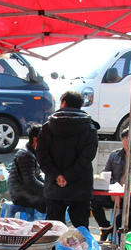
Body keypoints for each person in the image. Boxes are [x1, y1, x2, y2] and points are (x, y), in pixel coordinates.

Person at [35, 91, 99, 228]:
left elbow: (41, 155)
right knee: (80, 231)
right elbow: (87, 157)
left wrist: (57, 175)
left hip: (54, 188)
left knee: (53, 231)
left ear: (63, 103)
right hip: (80, 187)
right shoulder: (89, 128)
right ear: (80, 106)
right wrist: (69, 176)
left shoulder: (47, 128)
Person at [91, 127, 131, 241]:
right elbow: (106, 174)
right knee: (93, 199)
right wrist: (113, 191)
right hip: (115, 194)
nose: (127, 141)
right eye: (125, 138)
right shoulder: (115, 155)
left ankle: (123, 238)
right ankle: (105, 227)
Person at [7, 123, 46, 214]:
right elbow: (31, 182)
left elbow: (37, 176)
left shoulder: (32, 152)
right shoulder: (26, 155)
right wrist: (48, 190)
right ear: (35, 140)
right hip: (20, 196)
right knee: (51, 202)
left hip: (28, 192)